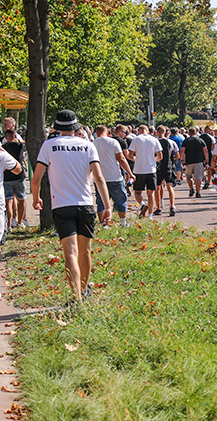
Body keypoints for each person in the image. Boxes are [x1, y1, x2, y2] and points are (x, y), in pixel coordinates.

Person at [31, 110, 109, 302]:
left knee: (70, 253)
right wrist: (107, 205)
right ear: (76, 127)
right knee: (85, 251)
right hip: (85, 204)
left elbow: (36, 178)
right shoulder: (87, 145)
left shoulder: (49, 145)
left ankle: (76, 297)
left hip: (61, 205)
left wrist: (36, 198)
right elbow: (98, 177)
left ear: (57, 128)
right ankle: (84, 289)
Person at [92, 125, 133, 227]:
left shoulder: (92, 144)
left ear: (96, 133)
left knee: (100, 202)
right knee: (121, 200)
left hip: (99, 178)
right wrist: (129, 173)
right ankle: (123, 222)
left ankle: (104, 225)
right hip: (115, 176)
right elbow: (121, 159)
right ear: (107, 132)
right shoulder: (113, 142)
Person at [125, 125, 162, 219]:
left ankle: (142, 204)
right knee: (151, 194)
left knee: (137, 192)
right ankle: (150, 215)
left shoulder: (136, 139)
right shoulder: (154, 139)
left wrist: (136, 160)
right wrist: (153, 160)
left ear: (139, 131)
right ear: (147, 131)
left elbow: (130, 155)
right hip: (151, 169)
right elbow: (160, 156)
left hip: (139, 169)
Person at [2, 129, 27, 229]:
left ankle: (9, 225)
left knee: (8, 201)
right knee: (21, 200)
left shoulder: (3, 148)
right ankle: (20, 222)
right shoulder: (20, 146)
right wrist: (18, 140)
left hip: (7, 177)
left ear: (5, 137)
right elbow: (25, 143)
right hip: (19, 177)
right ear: (15, 136)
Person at [154, 125, 178, 216]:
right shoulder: (170, 142)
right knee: (170, 186)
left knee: (158, 187)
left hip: (158, 166)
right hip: (168, 166)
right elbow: (172, 154)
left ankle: (159, 207)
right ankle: (172, 206)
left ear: (157, 132)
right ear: (166, 132)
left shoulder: (155, 142)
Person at [181, 127, 208, 199]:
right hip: (199, 161)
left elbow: (182, 151)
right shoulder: (200, 140)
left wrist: (182, 159)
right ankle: (198, 192)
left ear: (189, 133)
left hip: (189, 161)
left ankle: (191, 188)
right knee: (198, 177)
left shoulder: (186, 141)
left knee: (188, 176)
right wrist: (206, 159)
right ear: (196, 133)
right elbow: (205, 150)